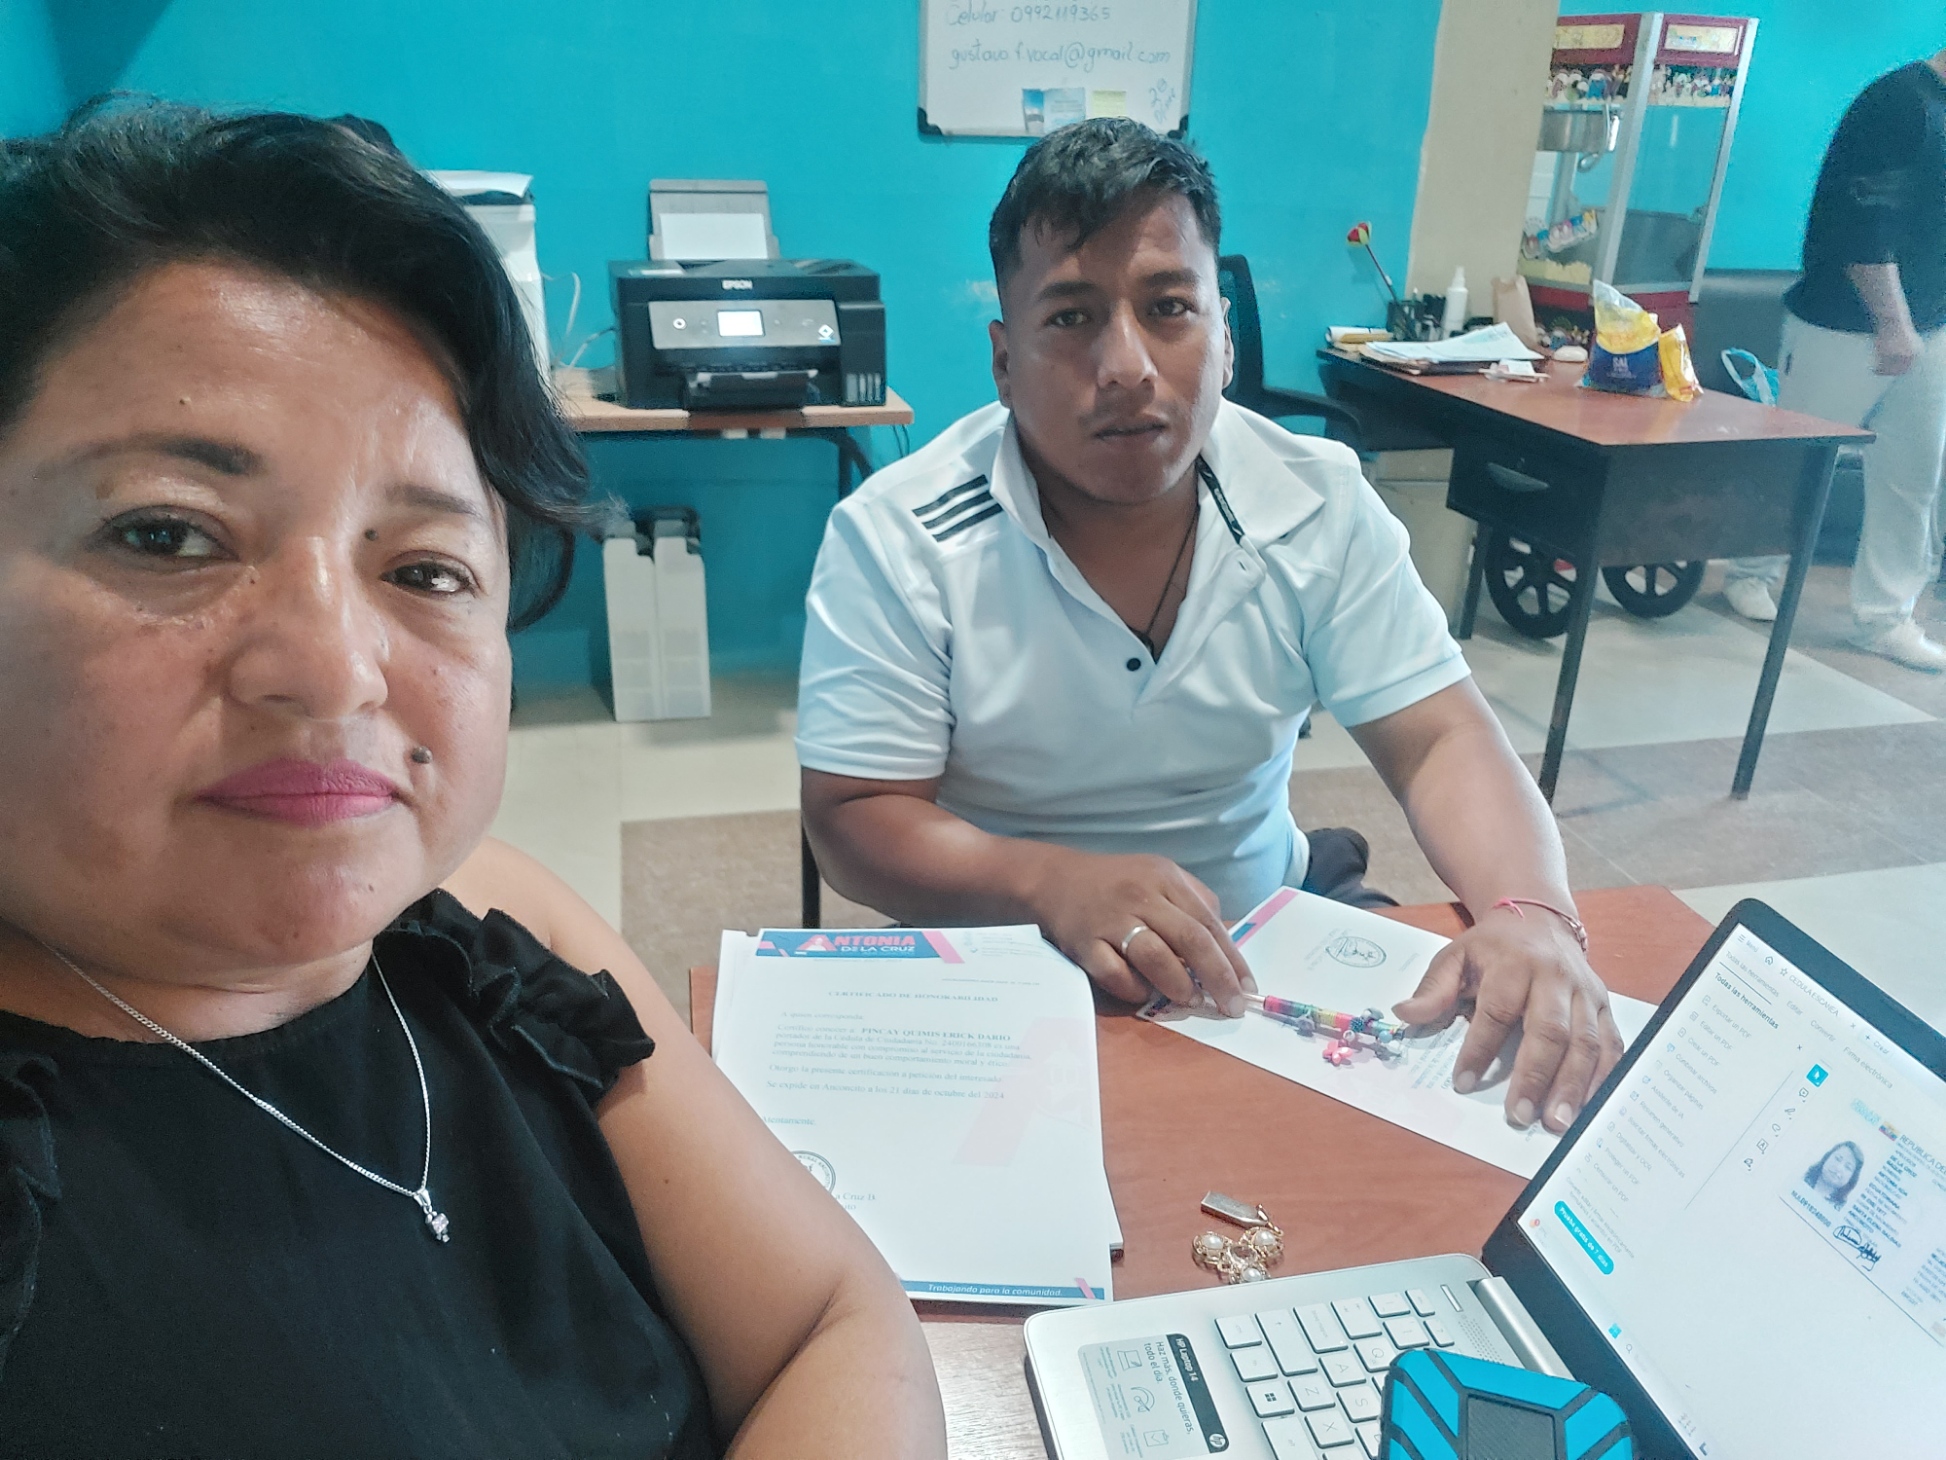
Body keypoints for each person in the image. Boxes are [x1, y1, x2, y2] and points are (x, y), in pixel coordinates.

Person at [0, 102, 945, 1458]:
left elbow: (830, 1321)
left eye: (425, 568)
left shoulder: (490, 929)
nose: (336, 671)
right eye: (168, 534)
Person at [795, 120, 1621, 1134]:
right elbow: (853, 817)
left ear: (1222, 334)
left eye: (1168, 307)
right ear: (1004, 361)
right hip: (997, 947)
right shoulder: (898, 538)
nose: (1126, 365)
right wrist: (1046, 880)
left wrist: (1529, 911)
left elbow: (1438, 736)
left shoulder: (1315, 503)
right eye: (1070, 317)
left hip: (1259, 943)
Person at [1723, 48, 1946, 672]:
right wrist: (1892, 323)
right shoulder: (1899, 104)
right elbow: (1860, 224)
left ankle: (1885, 617)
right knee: (1797, 456)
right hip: (1845, 323)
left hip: (1933, 321)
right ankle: (1749, 571)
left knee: (1912, 475)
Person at [1803, 1140, 1866, 1207]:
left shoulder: (1841, 1207)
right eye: (1837, 1159)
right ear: (1827, 1156)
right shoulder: (1801, 1176)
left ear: (1852, 1178)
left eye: (1848, 1167)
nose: (1839, 1168)